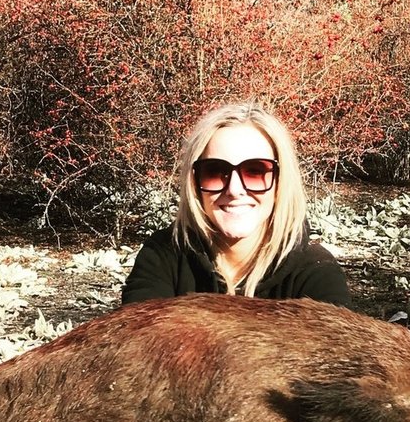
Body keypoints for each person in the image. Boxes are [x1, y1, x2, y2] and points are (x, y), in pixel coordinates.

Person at [121, 101, 350, 306]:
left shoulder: (317, 275)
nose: (234, 190)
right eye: (215, 171)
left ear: (281, 181)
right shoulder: (163, 256)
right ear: (194, 182)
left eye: (255, 171)